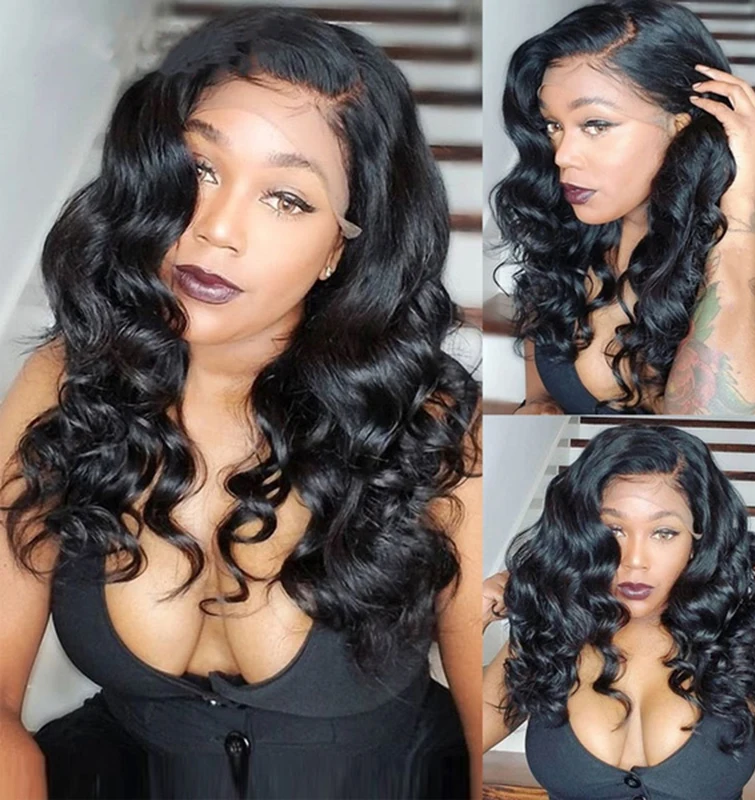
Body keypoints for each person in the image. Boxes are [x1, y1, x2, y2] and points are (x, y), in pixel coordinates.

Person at [0, 8, 482, 799]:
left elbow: (486, 734)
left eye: (286, 198)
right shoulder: (68, 381)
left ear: (339, 248)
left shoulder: (425, 423)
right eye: (199, 167)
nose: (217, 230)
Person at [491, 0, 755, 415]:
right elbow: (542, 399)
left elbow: (727, 425)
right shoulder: (567, 226)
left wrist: (738, 211)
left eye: (596, 125)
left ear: (681, 124)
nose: (563, 155)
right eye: (553, 125)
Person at [483, 425, 755, 799]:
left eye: (664, 532)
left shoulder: (743, 642)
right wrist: (474, 615)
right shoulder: (550, 633)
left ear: (698, 540)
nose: (635, 560)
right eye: (614, 529)